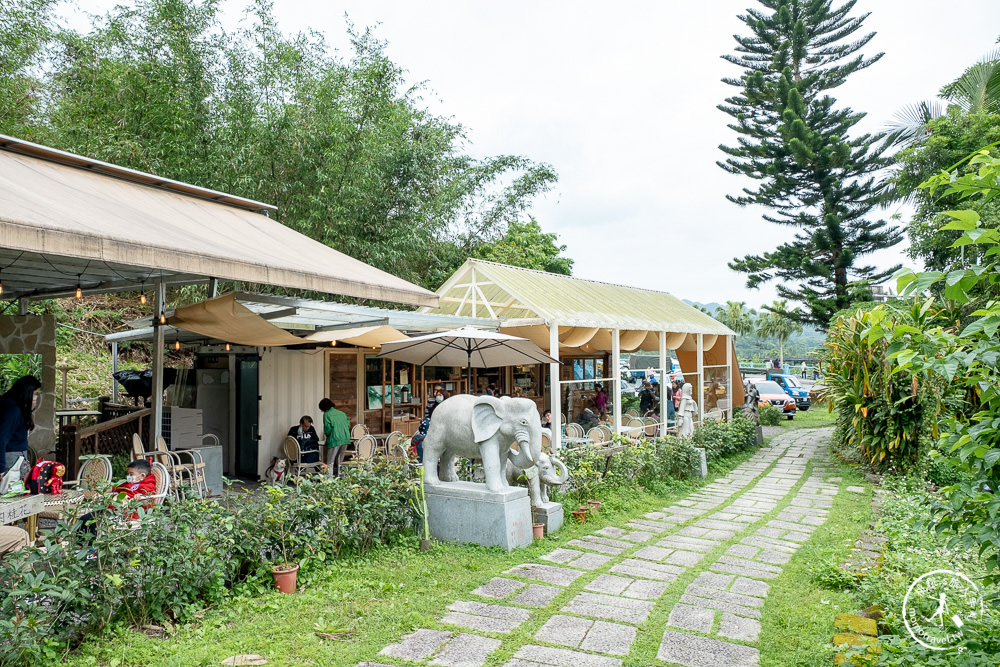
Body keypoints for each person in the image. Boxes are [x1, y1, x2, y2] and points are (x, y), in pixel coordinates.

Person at [78, 459, 157, 535]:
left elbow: (149, 503)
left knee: (96, 521)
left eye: (131, 474)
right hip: (112, 509)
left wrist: (142, 497)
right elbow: (114, 488)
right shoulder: (128, 483)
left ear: (142, 475)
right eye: (128, 473)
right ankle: (80, 545)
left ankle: (92, 548)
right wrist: (101, 492)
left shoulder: (148, 485)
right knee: (84, 518)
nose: (128, 476)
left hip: (125, 513)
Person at [0, 375, 42, 476]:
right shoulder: (13, 410)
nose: (35, 397)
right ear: (28, 393)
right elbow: (2, 437)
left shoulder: (9, 405)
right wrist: (1, 468)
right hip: (12, 458)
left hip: (15, 455)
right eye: (35, 394)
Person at [319, 398, 351, 476]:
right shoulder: (342, 413)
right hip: (345, 439)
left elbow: (327, 429)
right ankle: (342, 478)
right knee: (340, 461)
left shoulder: (327, 414)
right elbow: (348, 425)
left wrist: (328, 436)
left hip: (334, 440)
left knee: (330, 462)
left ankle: (330, 481)